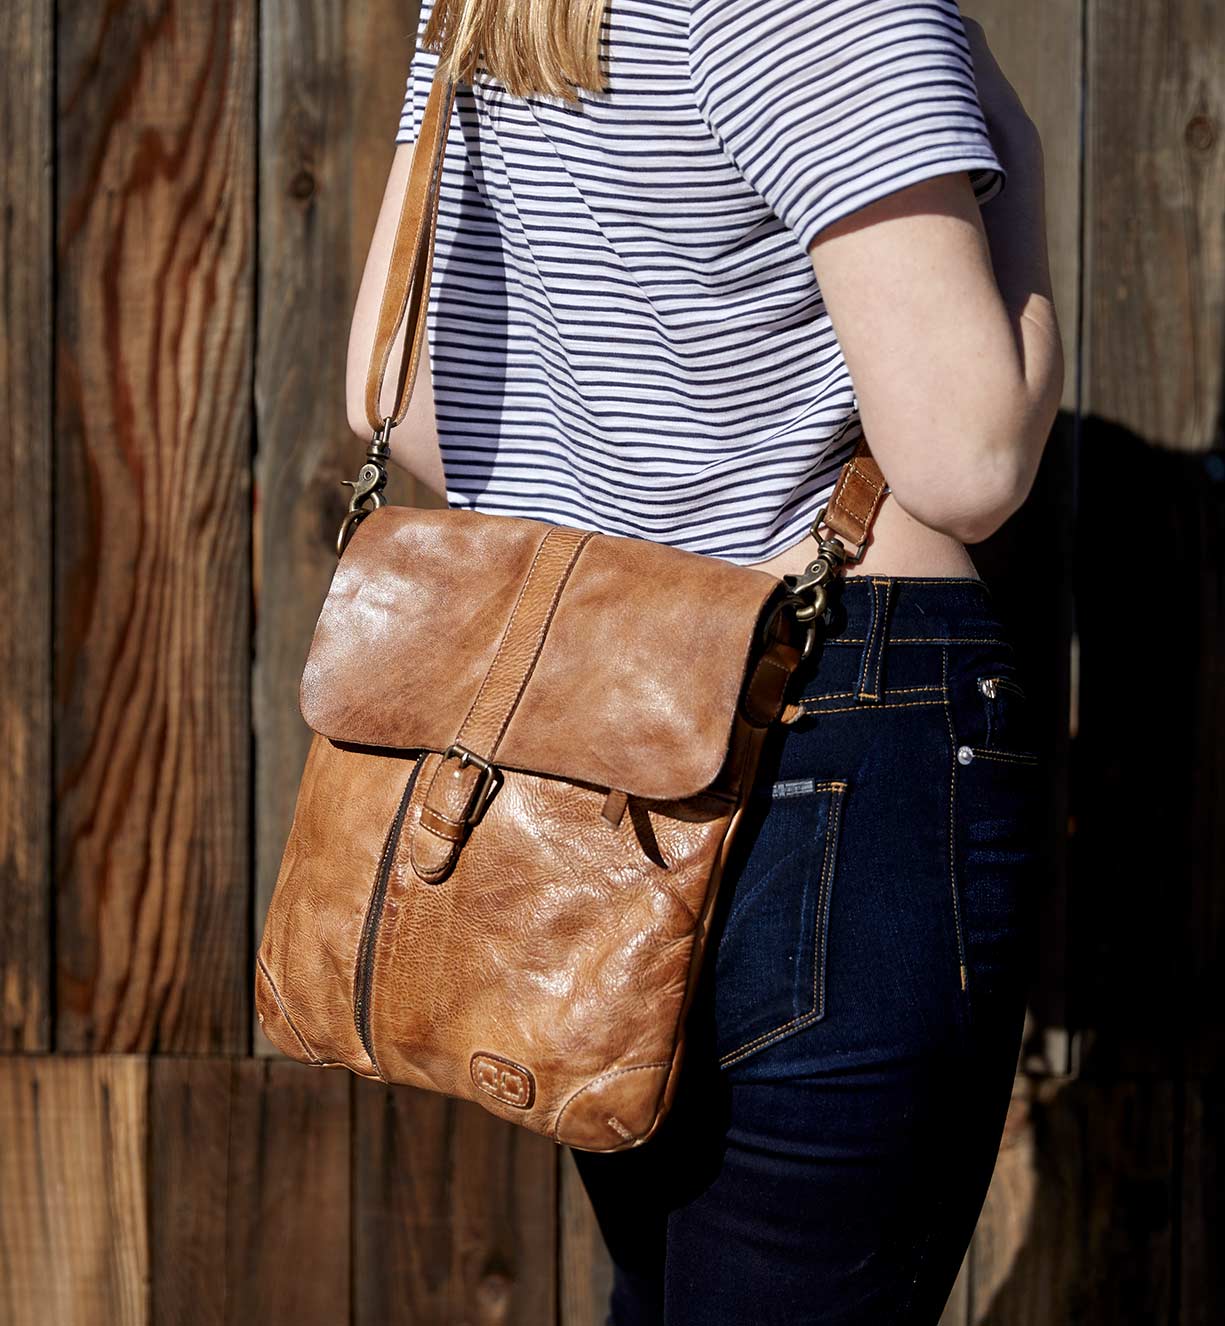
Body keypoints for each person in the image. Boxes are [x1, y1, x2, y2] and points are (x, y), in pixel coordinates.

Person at [349, 1, 1063, 1320]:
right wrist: (1011, 137)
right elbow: (969, 462)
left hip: (590, 745)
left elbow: (404, 408)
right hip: (845, 711)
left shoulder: (496, 13)